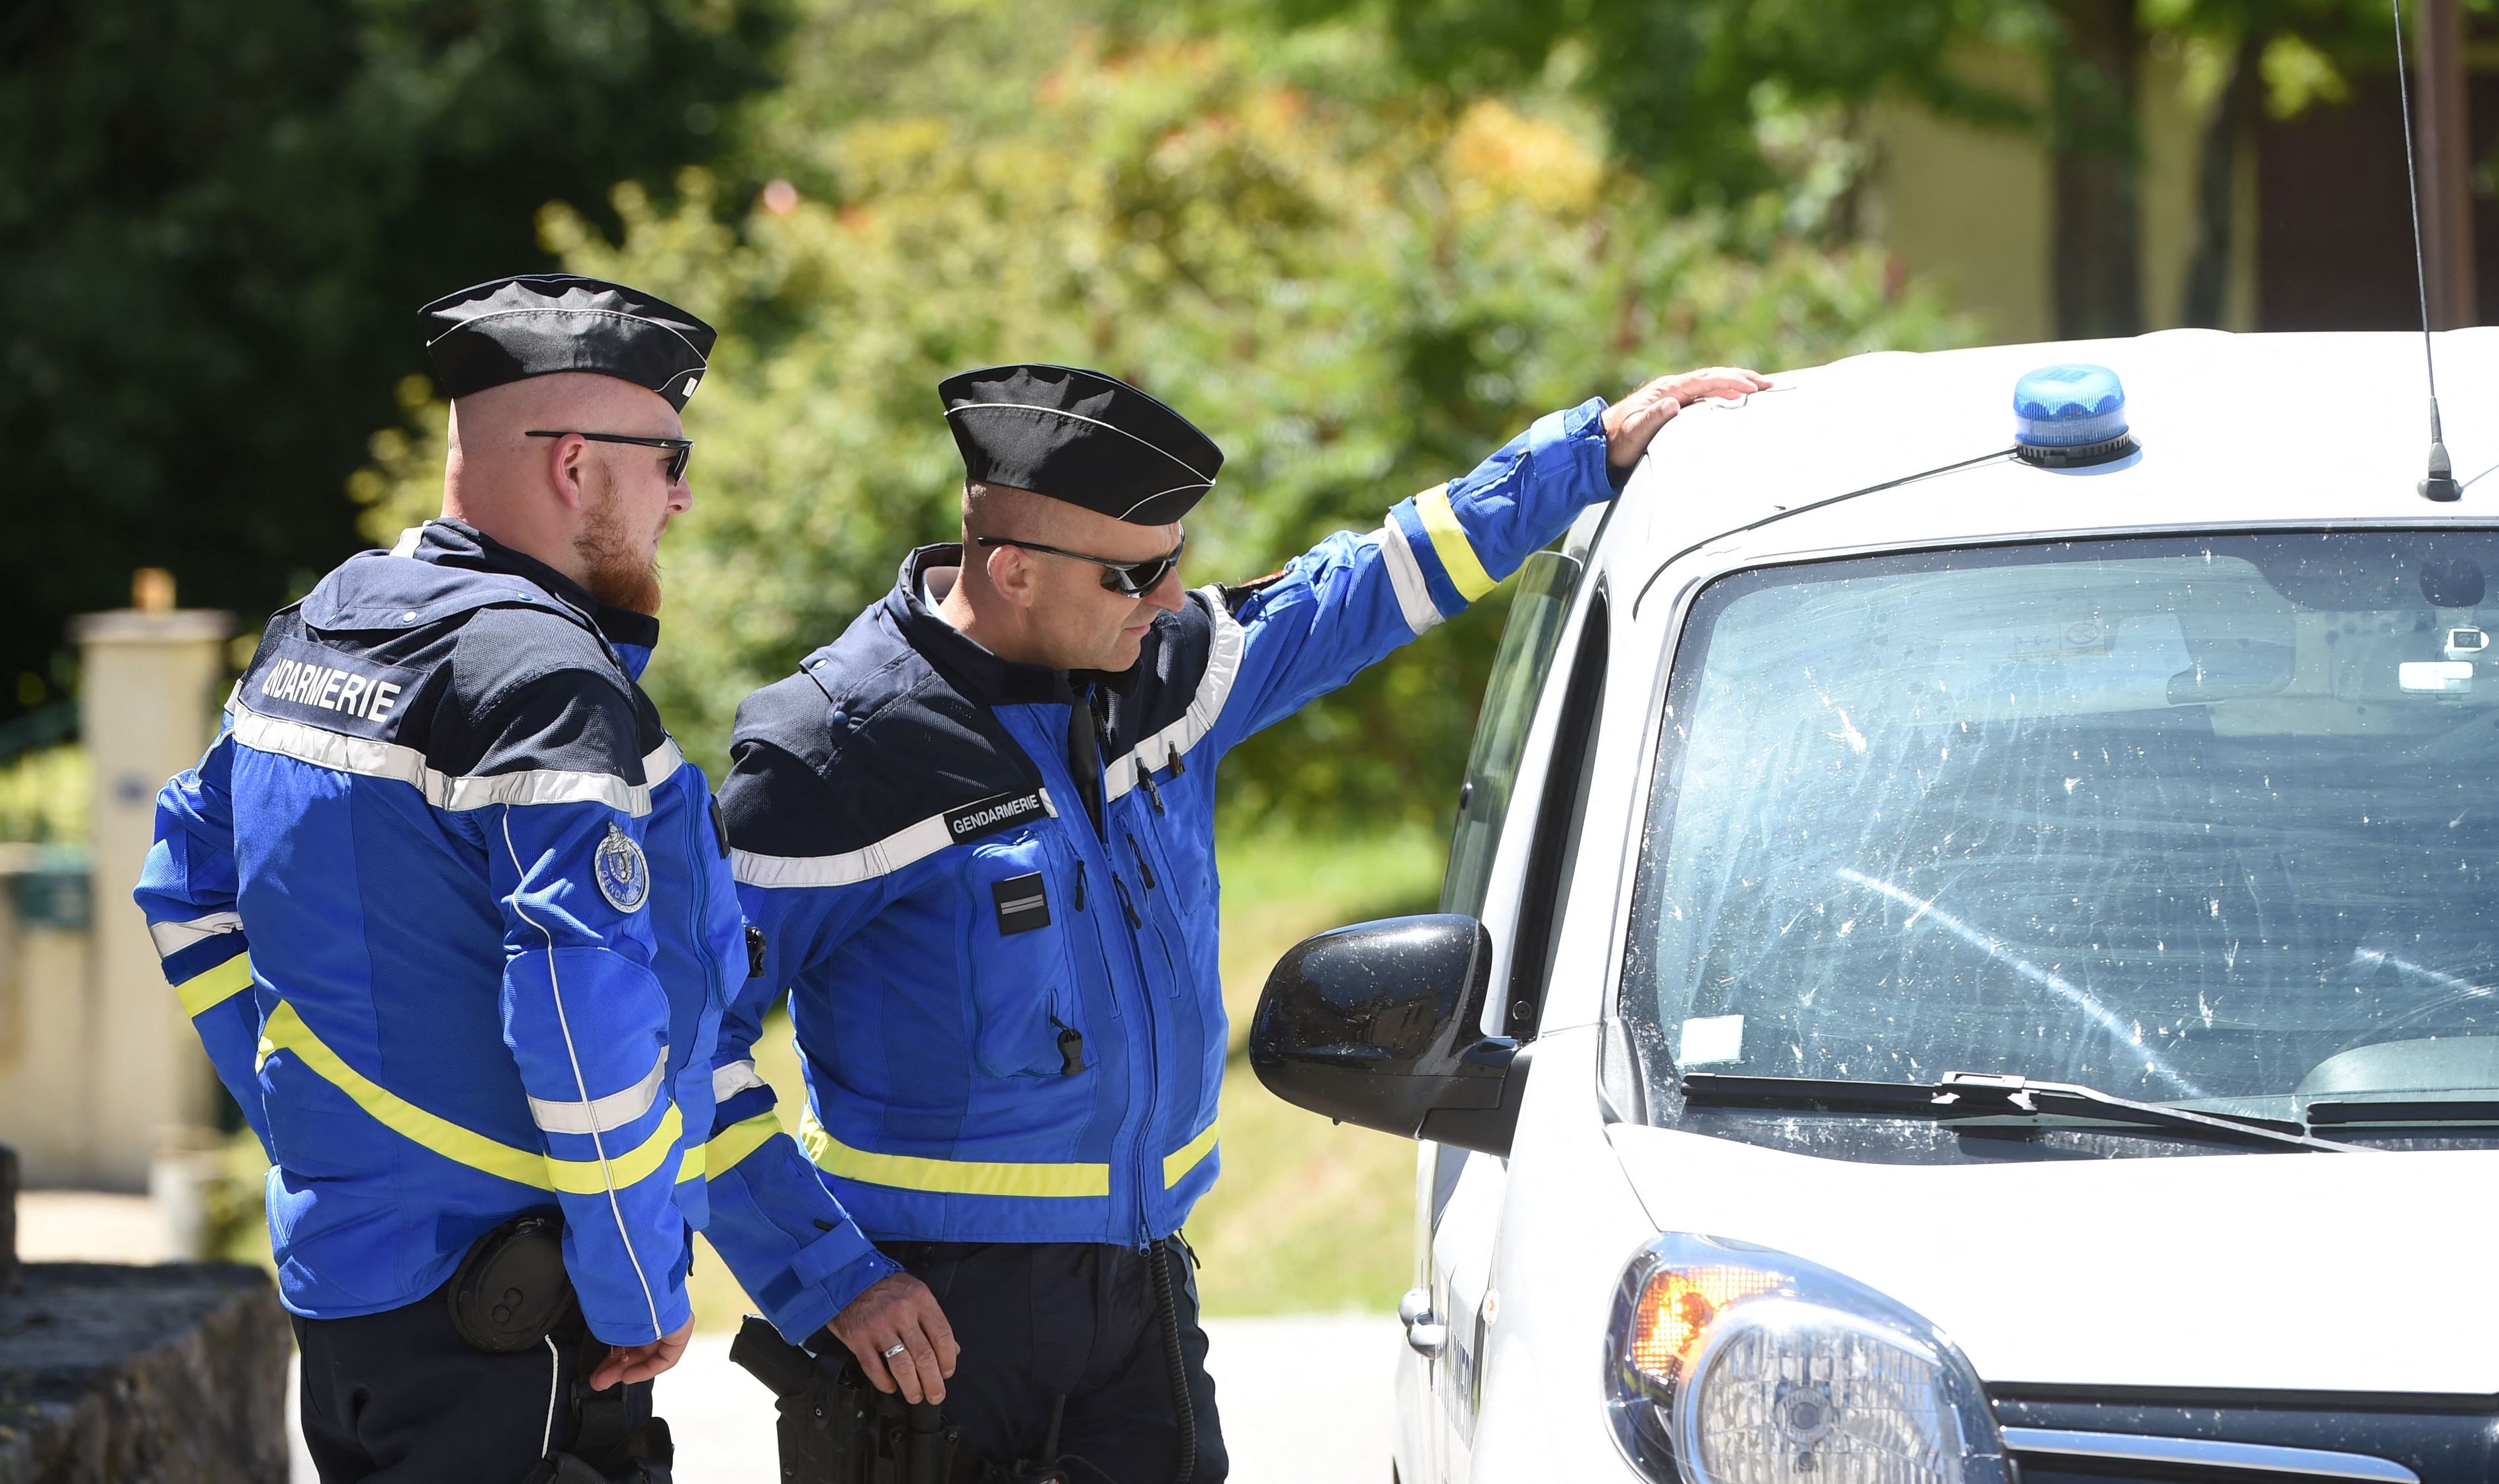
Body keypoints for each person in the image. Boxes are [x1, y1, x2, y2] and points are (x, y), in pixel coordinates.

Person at [700, 361, 1767, 1480]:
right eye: (1136, 572)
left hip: (1144, 1301)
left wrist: (1581, 456)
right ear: (1010, 567)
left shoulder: (1166, 674)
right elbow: (686, 1038)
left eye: (1176, 565)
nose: (1169, 600)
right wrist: (831, 1278)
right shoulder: (839, 752)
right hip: (937, 1328)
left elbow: (1366, 581)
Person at [132, 275, 889, 1482]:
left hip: (355, 1305)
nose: (682, 493)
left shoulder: (323, 626)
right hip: (515, 1327)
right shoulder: (545, 685)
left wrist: (317, 1134)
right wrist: (637, 1279)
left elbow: (185, 890)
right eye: (668, 454)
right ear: (577, 467)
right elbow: (580, 1019)